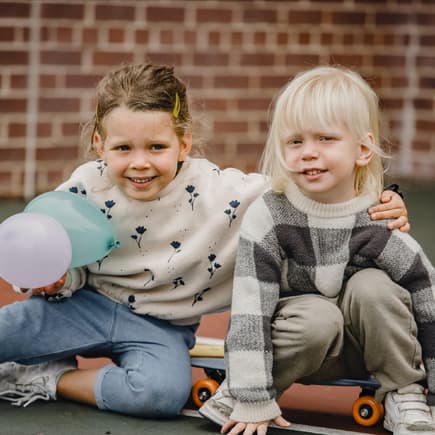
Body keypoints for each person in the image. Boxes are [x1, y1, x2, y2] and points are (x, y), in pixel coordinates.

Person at [0, 64, 409, 419]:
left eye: (157, 147)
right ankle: (43, 351)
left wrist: (383, 201)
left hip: (161, 326)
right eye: (123, 148)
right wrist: (56, 280)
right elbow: (49, 249)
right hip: (82, 307)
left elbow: (301, 194)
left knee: (160, 395)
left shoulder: (223, 193)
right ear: (98, 145)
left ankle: (48, 377)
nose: (140, 161)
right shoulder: (84, 187)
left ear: (184, 142)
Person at [199, 65, 435, 435]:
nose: (308, 153)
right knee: (318, 316)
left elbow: (426, 295)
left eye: (325, 139)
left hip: (369, 350)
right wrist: (251, 392)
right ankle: (242, 393)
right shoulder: (271, 214)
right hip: (305, 346)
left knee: (373, 288)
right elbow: (250, 307)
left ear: (361, 149)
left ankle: (403, 393)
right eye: (295, 142)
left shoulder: (378, 214)